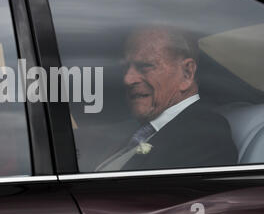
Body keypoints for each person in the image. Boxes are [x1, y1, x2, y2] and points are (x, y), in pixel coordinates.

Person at [96, 26, 238, 172]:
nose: (128, 79)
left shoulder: (204, 137)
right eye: (126, 68)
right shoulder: (144, 130)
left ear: (187, 73)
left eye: (145, 66)